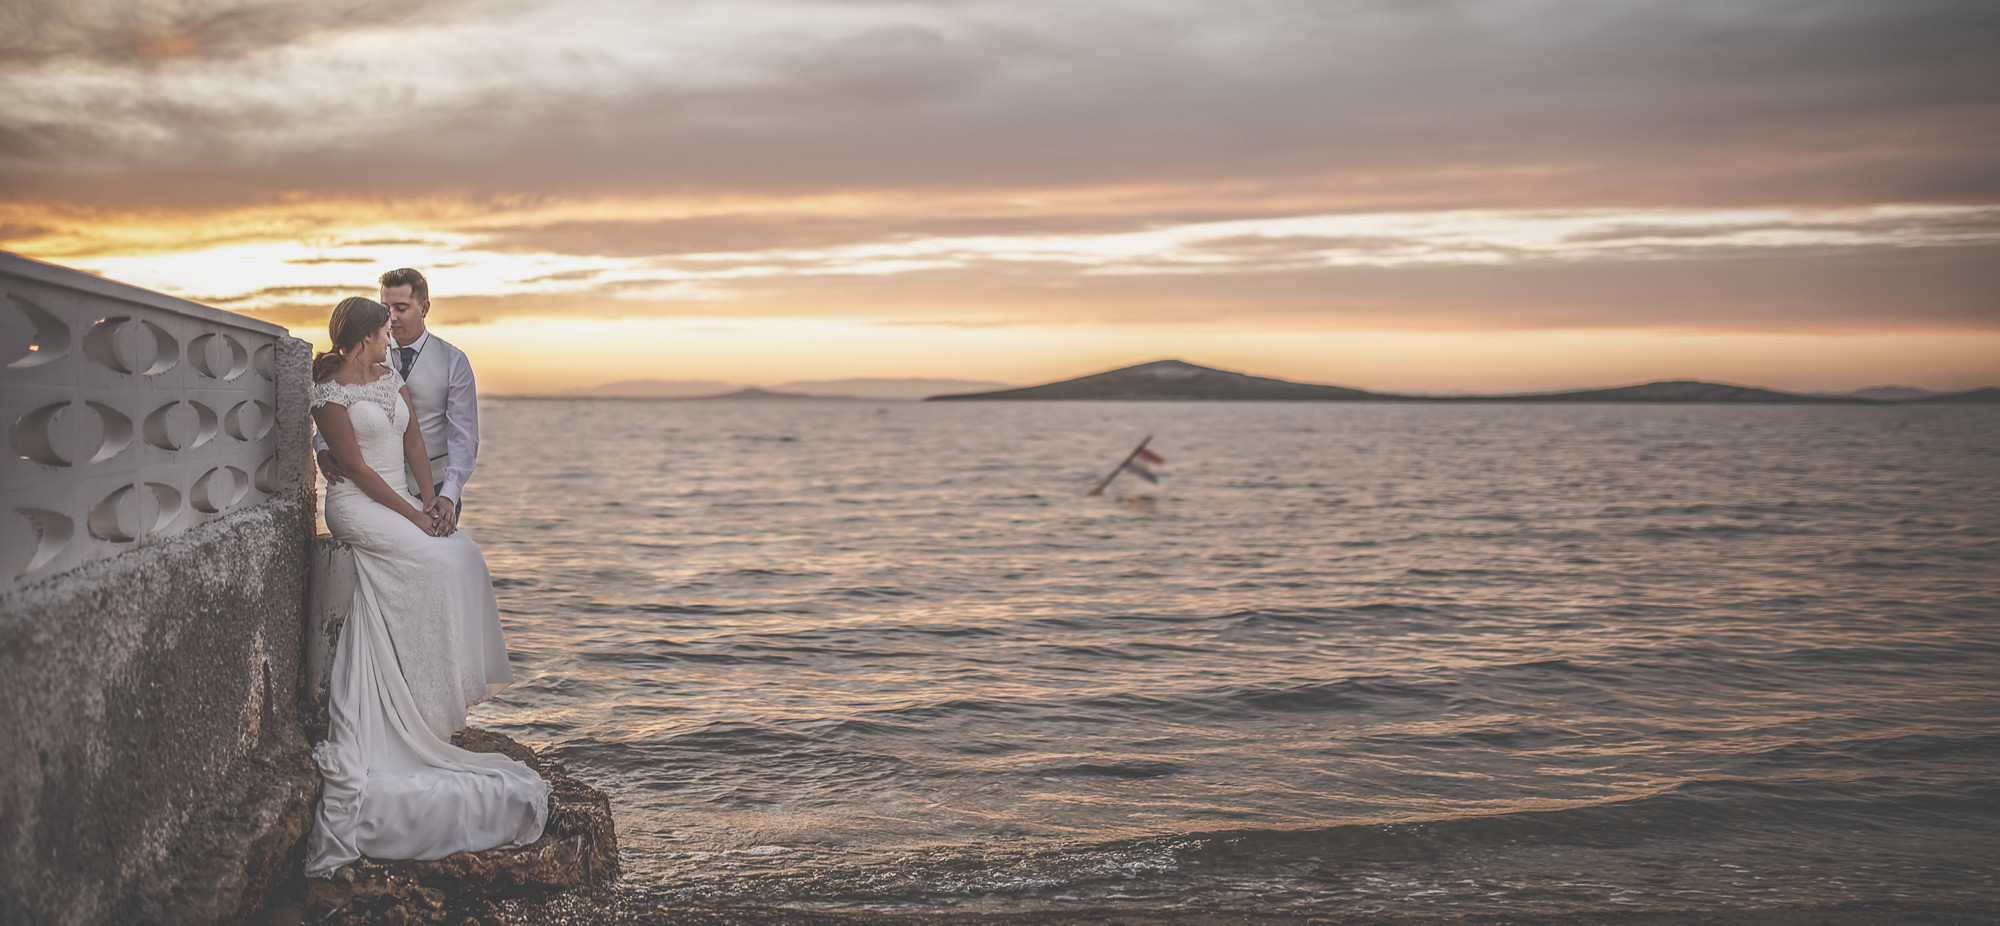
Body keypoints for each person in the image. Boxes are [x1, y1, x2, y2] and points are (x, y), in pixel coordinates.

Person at [303, 296, 546, 877]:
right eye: (386, 333)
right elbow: (356, 469)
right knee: (434, 565)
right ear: (364, 338)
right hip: (359, 504)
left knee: (462, 554)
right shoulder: (329, 392)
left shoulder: (389, 376)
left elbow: (413, 443)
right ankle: (417, 700)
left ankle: (445, 687)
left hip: (405, 499)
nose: (393, 342)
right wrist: (414, 519)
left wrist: (433, 499)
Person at [318, 267, 477, 536]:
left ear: (424, 308)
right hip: (371, 489)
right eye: (384, 307)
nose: (390, 317)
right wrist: (322, 448)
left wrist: (448, 495)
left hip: (435, 490)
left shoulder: (454, 361)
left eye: (401, 308)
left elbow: (464, 436)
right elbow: (335, 403)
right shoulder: (363, 355)